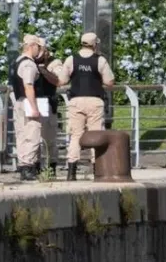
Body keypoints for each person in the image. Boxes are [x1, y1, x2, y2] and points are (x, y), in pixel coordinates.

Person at [59, 32, 115, 180]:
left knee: (75, 135)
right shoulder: (100, 60)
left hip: (76, 100)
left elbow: (62, 80)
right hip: (95, 100)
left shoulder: (71, 59)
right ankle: (97, 169)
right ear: (95, 44)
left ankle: (71, 172)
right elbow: (109, 82)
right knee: (96, 134)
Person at [9, 34, 46, 181]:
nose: (39, 50)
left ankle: (23, 165)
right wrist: (34, 107)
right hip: (28, 101)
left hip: (19, 101)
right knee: (32, 134)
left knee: (22, 135)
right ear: (32, 46)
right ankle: (28, 167)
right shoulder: (29, 64)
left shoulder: (17, 61)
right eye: (38, 47)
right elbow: (29, 86)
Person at [35, 38, 65, 179]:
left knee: (49, 138)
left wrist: (44, 71)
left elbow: (60, 80)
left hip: (47, 102)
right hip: (33, 102)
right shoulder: (28, 61)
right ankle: (34, 167)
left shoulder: (54, 62)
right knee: (34, 138)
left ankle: (51, 168)